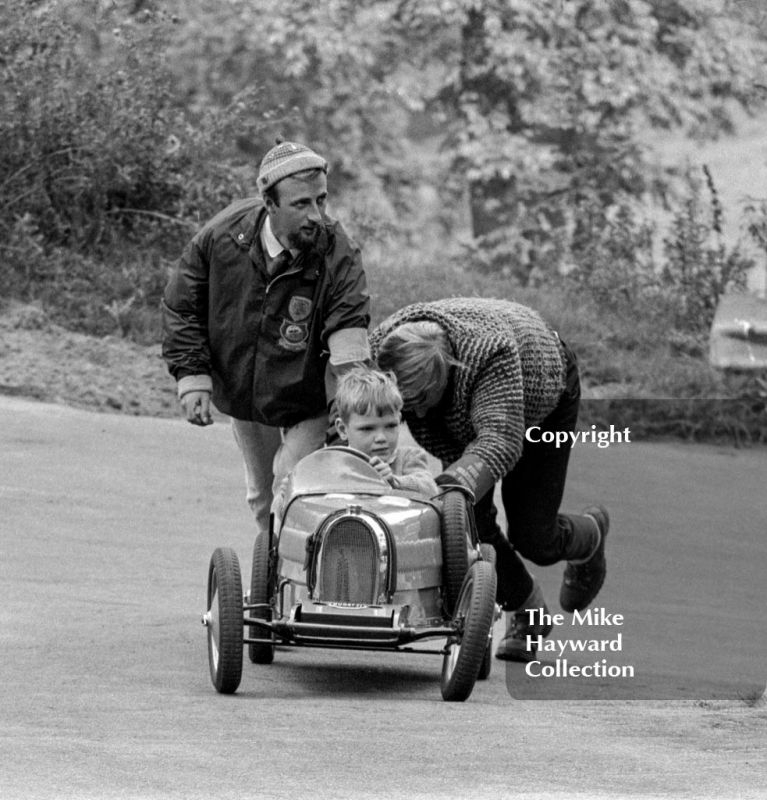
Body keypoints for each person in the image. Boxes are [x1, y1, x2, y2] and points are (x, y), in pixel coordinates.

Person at [371, 297, 609, 662]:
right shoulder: (383, 350)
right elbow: (353, 401)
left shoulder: (488, 359)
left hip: (542, 399)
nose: (414, 414)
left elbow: (500, 439)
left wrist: (441, 491)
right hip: (472, 414)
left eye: (420, 400)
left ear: (444, 375)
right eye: (405, 405)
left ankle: (591, 534)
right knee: (471, 523)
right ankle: (529, 614)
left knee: (532, 536)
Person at [161, 140, 371, 538]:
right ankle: (274, 578)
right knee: (261, 498)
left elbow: (349, 333)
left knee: (289, 487)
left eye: (321, 200)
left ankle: (303, 574)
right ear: (269, 203)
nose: (316, 216)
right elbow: (181, 305)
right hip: (245, 391)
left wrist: (356, 405)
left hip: (308, 399)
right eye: (301, 204)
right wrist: (192, 379)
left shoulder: (338, 252)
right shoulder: (222, 236)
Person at [332, 367, 439, 495]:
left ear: (398, 420)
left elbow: (431, 489)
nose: (381, 438)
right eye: (367, 428)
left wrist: (395, 483)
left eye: (390, 426)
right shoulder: (335, 464)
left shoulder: (408, 459)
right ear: (343, 429)